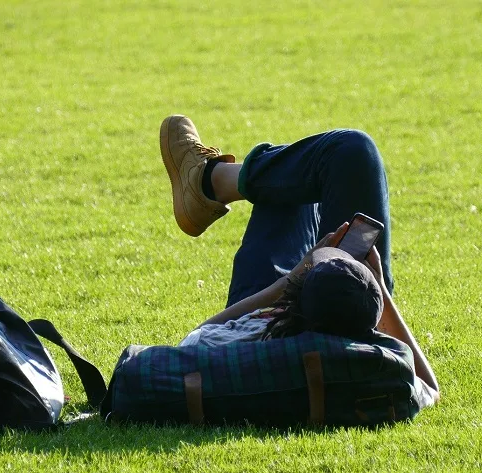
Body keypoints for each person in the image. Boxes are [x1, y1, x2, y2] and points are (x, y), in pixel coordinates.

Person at [159, 115, 440, 407]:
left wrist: (292, 276)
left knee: (316, 170)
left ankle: (210, 180)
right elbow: (431, 389)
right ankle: (211, 182)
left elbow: (192, 341)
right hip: (340, 310)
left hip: (266, 304)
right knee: (301, 174)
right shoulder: (376, 360)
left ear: (295, 300)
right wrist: (378, 286)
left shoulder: (256, 334)